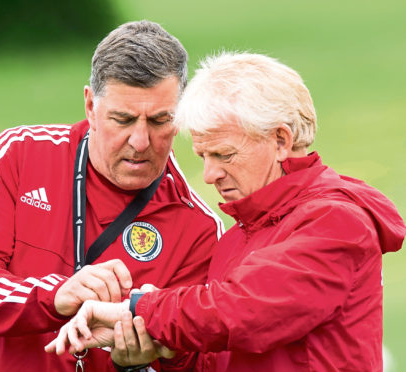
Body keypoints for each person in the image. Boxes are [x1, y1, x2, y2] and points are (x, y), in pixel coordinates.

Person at [48, 52, 406, 371]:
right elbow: (219, 351)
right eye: (204, 156)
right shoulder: (237, 236)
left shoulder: (336, 222)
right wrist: (163, 352)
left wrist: (138, 308)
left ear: (280, 141)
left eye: (224, 155)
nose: (209, 174)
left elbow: (244, 311)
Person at [0, 21, 224, 372]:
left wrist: (140, 363)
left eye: (160, 121)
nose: (140, 141)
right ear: (90, 105)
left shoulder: (198, 227)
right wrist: (55, 297)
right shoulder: (17, 156)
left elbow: (198, 360)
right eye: (123, 119)